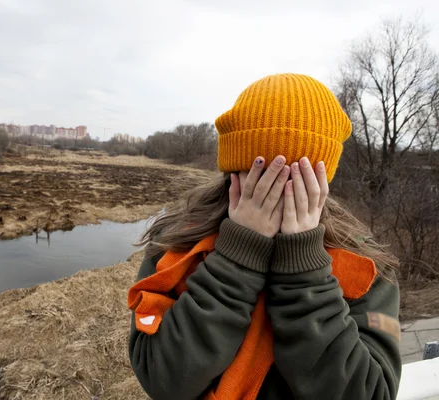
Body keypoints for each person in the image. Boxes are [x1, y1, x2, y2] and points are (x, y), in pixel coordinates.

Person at [127, 73, 402, 400]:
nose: (275, 191)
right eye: (262, 173)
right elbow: (163, 379)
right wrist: (235, 257)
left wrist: (305, 272)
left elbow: (373, 394)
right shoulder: (176, 242)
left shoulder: (366, 267)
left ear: (321, 180)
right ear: (234, 170)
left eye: (296, 177)